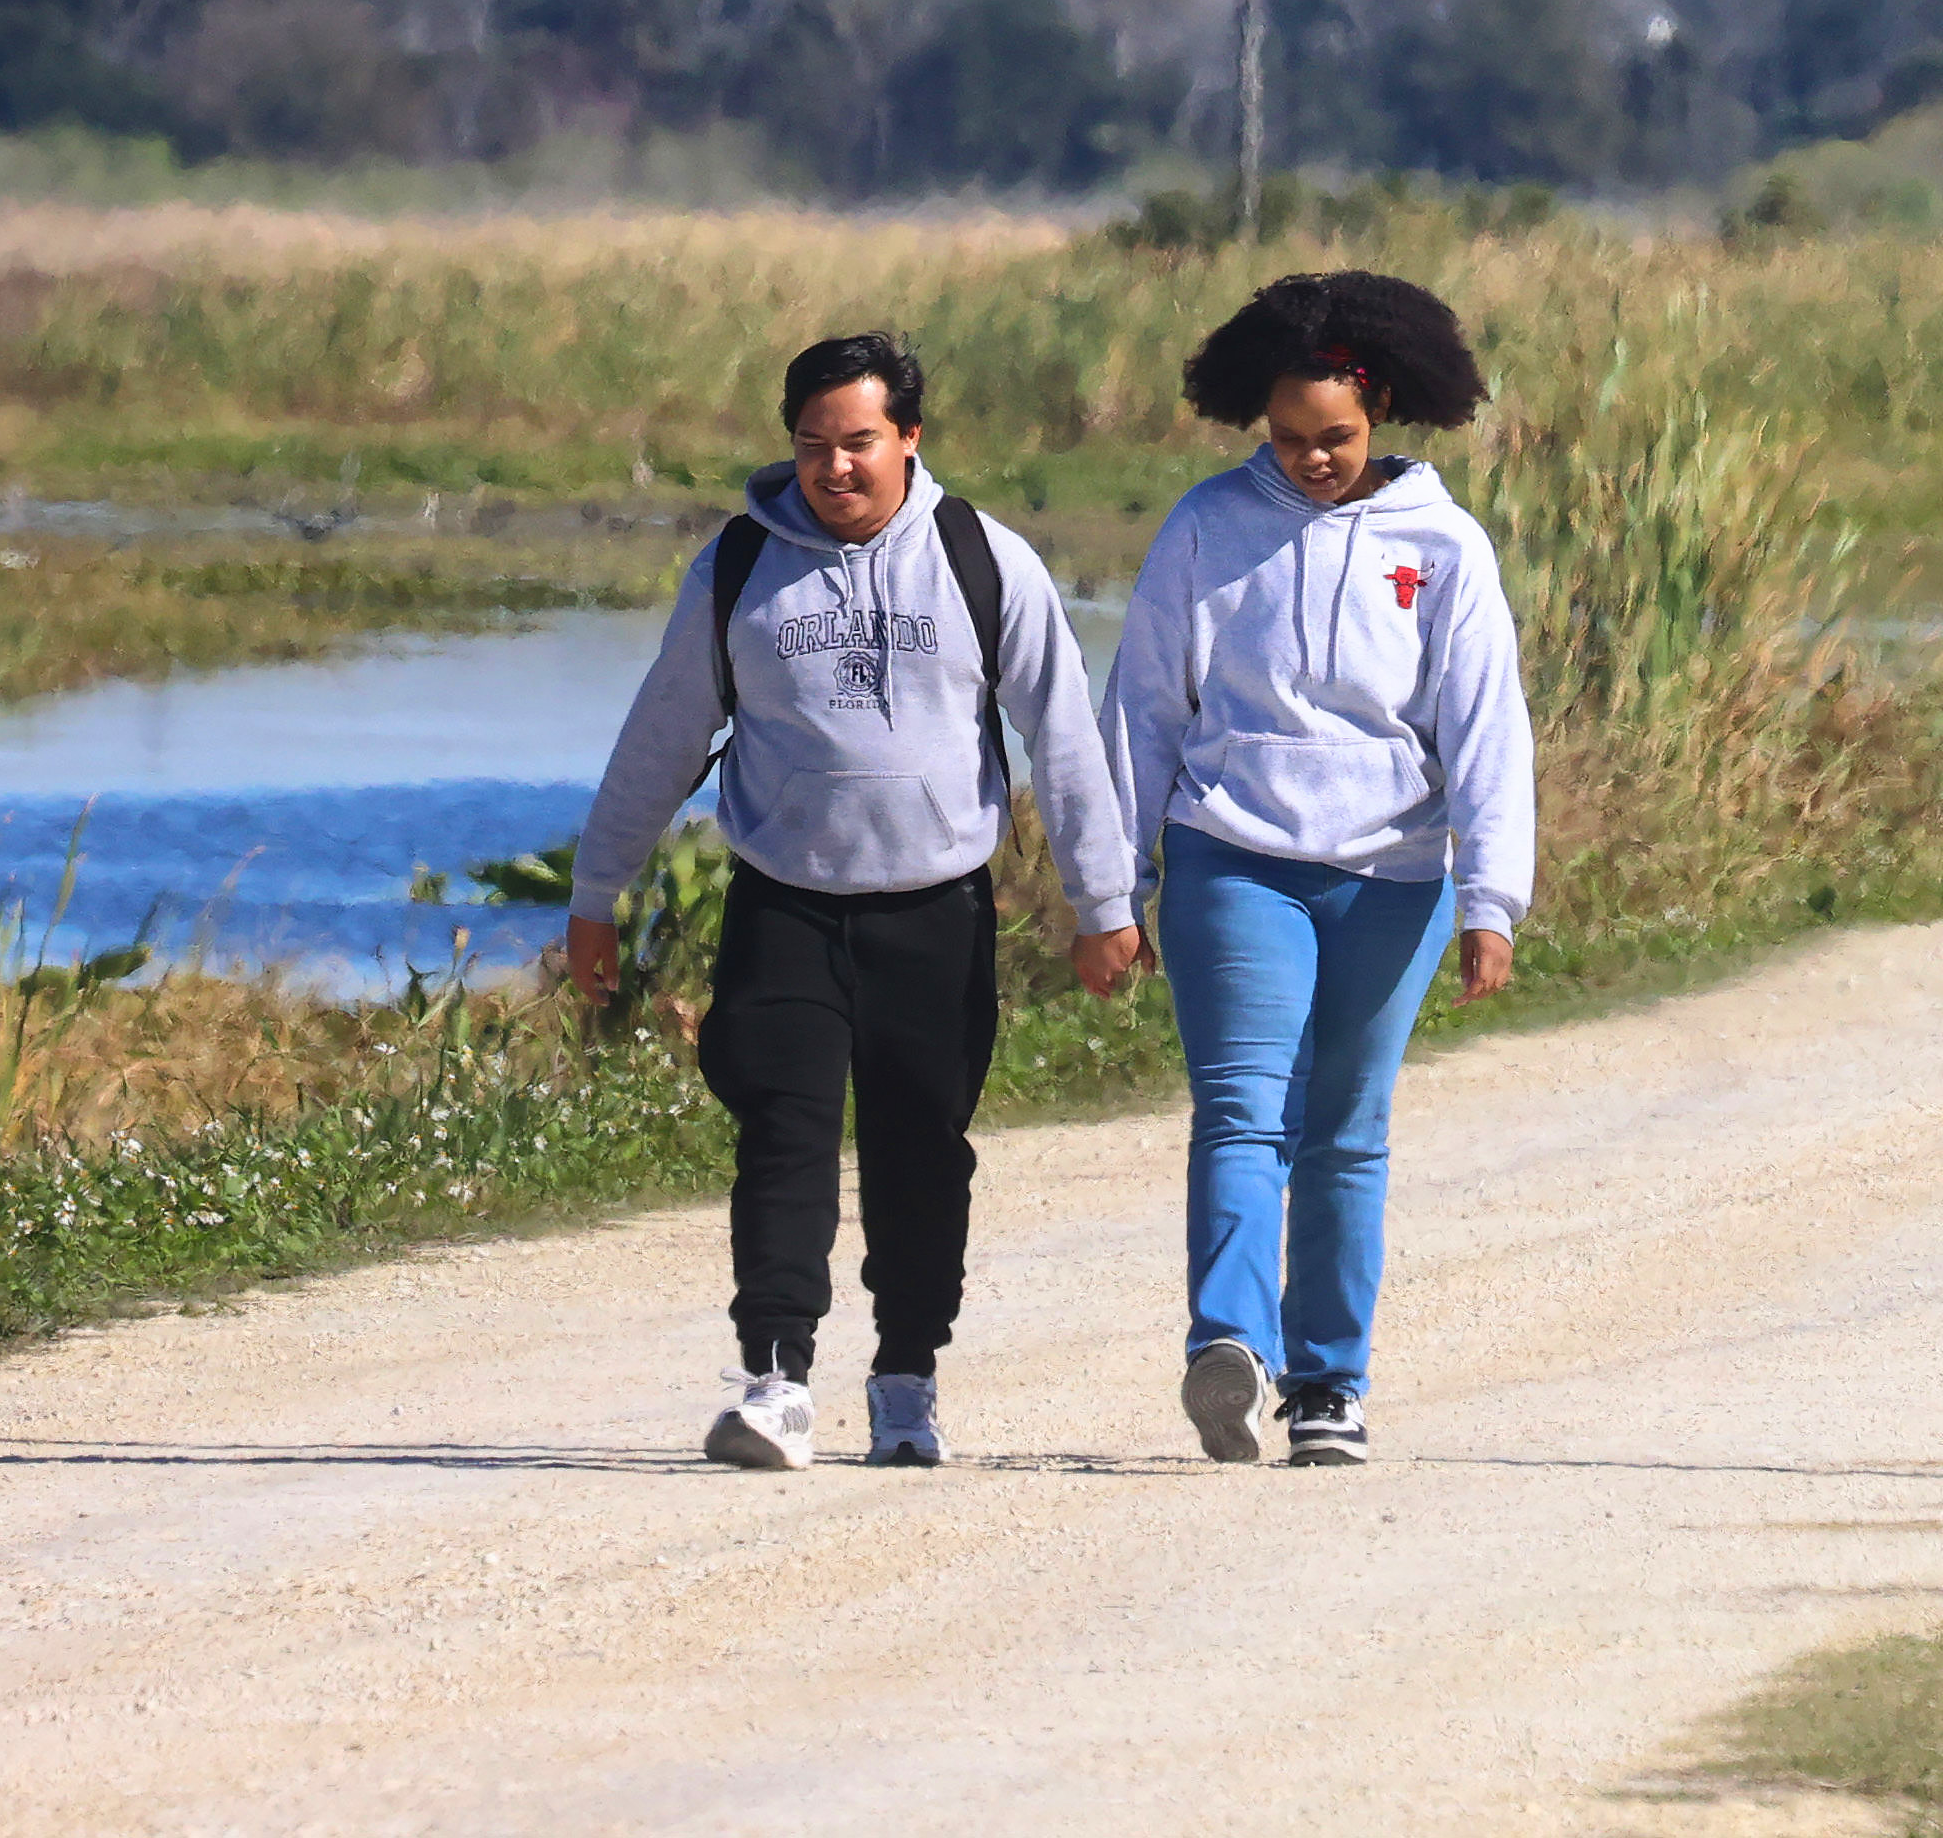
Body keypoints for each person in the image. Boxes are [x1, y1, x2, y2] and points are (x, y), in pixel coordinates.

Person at [566, 331, 1144, 1470]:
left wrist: (1104, 900)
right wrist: (597, 889)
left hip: (936, 911)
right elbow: (662, 737)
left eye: (860, 444)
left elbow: (1063, 739)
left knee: (920, 1151)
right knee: (781, 1134)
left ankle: (905, 1379)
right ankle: (774, 1379)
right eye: (814, 445)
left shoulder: (983, 557)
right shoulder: (739, 566)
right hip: (785, 903)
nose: (835, 469)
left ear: (910, 439)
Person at [1106, 271, 1535, 1468]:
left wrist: (1491, 898)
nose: (1310, 460)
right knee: (1242, 1110)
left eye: (1335, 438)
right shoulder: (1203, 527)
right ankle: (1229, 1347)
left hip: (1393, 876)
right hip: (1231, 856)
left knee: (1347, 1128)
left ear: (1383, 407)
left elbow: (1486, 725)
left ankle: (1329, 1384)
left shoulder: (1442, 545)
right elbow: (1142, 709)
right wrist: (1111, 884)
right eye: (1288, 438)